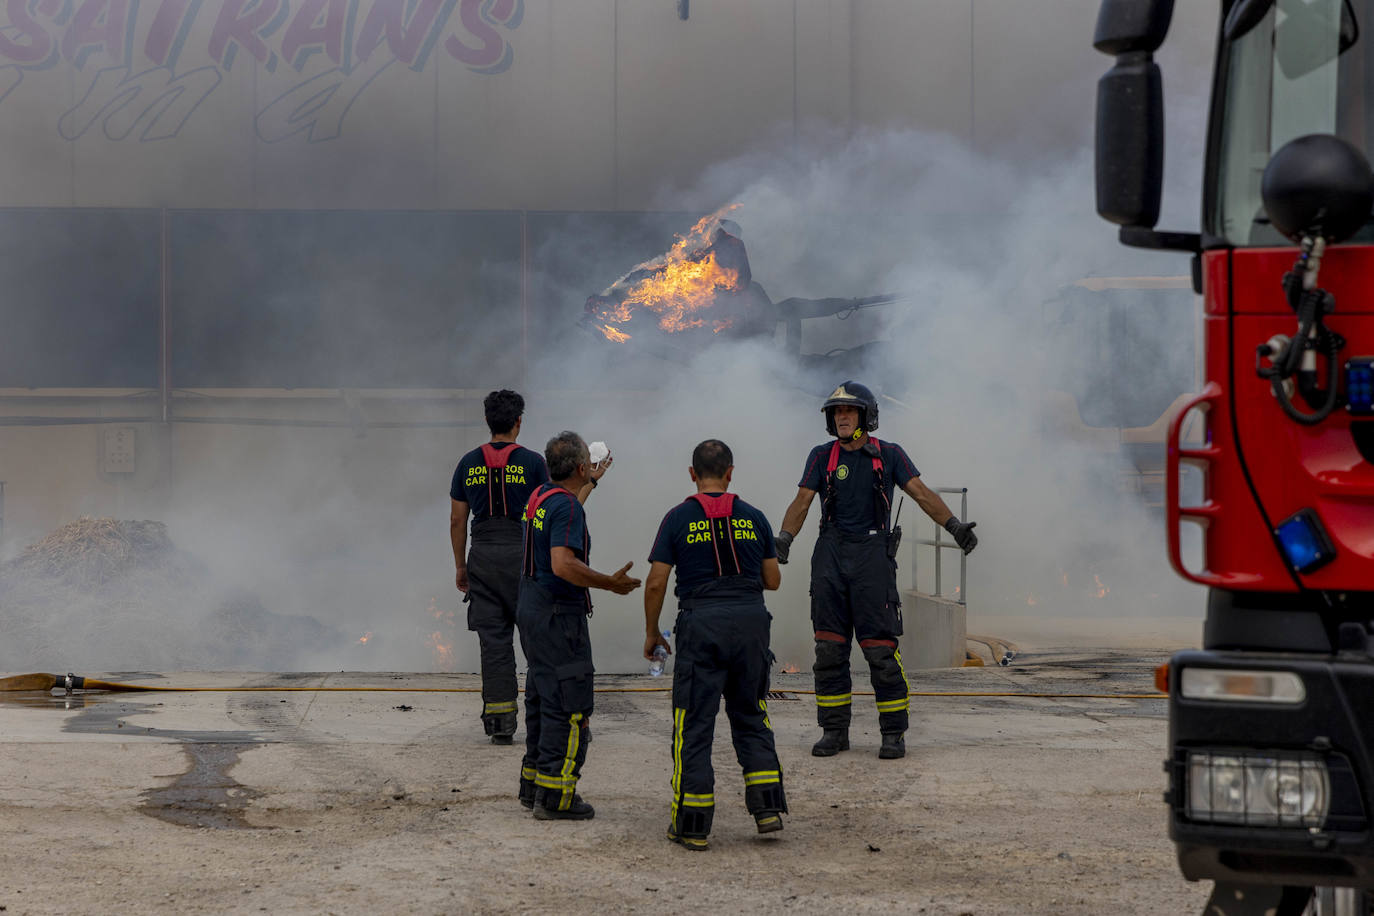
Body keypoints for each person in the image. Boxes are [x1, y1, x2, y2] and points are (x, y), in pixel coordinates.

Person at [775, 381, 978, 760]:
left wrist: (953, 526)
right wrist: (784, 537)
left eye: (849, 411)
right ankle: (834, 731)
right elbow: (802, 501)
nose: (842, 418)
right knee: (829, 650)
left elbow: (920, 493)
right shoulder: (821, 457)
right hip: (830, 558)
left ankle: (893, 733)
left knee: (880, 652)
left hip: (873, 559)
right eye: (836, 412)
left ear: (867, 416)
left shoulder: (890, 455)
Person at [643, 439, 787, 851]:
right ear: (730, 472)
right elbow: (773, 580)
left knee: (694, 724)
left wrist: (652, 633)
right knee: (751, 714)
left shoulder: (677, 518)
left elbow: (656, 582)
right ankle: (767, 809)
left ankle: (692, 826)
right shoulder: (754, 516)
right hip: (751, 624)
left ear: (692, 474)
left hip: (700, 625)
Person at [449, 390, 610, 745]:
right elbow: (557, 506)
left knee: (494, 643)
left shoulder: (467, 463)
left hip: (482, 557)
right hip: (524, 559)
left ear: (487, 421)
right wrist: (592, 481)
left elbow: (457, 521)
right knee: (540, 638)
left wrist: (461, 566)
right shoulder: (534, 463)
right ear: (519, 421)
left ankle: (500, 724)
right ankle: (558, 717)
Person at [517, 430, 641, 820]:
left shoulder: (541, 497)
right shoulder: (565, 508)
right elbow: (562, 563)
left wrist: (592, 482)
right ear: (579, 466)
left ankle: (533, 786)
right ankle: (557, 798)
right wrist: (610, 583)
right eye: (588, 461)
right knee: (570, 706)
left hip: (533, 612)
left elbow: (566, 512)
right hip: (559, 618)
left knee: (541, 698)